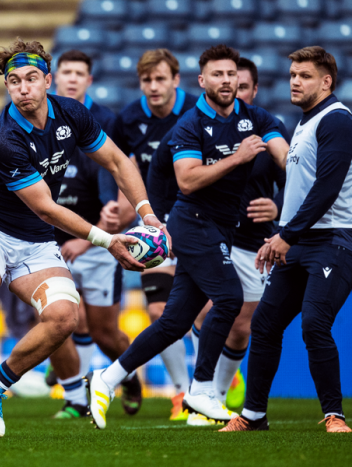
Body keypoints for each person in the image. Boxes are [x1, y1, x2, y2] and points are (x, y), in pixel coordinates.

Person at [0, 38, 167, 440]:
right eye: (14, 81)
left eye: (31, 78)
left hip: (35, 240)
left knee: (63, 319)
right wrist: (108, 240)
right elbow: (46, 208)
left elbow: (117, 161)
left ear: (48, 81)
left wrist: (147, 216)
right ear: (7, 87)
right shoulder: (5, 139)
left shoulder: (71, 113)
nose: (23, 88)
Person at [88, 44, 289, 429]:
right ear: (202, 81)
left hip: (220, 228)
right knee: (229, 297)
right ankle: (201, 389)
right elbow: (187, 179)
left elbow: (284, 156)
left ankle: (108, 378)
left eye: (231, 74)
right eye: (217, 75)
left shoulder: (256, 117)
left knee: (174, 321)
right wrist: (237, 157)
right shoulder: (191, 124)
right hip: (192, 222)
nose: (226, 81)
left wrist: (296, 172)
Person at [221, 47, 352, 433]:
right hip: (298, 242)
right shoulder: (305, 123)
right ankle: (253, 415)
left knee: (314, 323)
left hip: (334, 240)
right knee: (264, 325)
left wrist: (286, 235)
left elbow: (327, 188)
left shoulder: (337, 120)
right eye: (293, 74)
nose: (295, 81)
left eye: (305, 76)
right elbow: (300, 192)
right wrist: (282, 234)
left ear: (326, 81)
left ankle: (334, 415)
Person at [190, 57, 287, 419]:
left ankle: (217, 391)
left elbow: (292, 174)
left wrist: (278, 208)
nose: (235, 90)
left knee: (241, 326)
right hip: (212, 231)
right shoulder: (203, 127)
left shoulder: (266, 125)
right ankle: (199, 392)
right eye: (229, 82)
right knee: (201, 310)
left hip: (254, 241)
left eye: (243, 85)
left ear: (254, 90)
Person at [47, 49, 142, 419]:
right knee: (59, 319)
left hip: (99, 239)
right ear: (54, 79)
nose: (72, 78)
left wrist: (107, 223)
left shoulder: (105, 121)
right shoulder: (40, 116)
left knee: (105, 332)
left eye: (79, 73)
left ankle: (128, 374)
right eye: (66, 72)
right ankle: (77, 398)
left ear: (89, 80)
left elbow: (119, 172)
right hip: (51, 241)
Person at [113, 49, 199, 421]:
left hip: (200, 222)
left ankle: (220, 379)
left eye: (160, 79)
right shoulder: (130, 118)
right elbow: (115, 164)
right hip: (156, 225)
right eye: (146, 80)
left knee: (206, 315)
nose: (153, 86)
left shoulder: (198, 112)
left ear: (175, 81)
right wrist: (114, 205)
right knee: (159, 310)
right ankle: (183, 393)